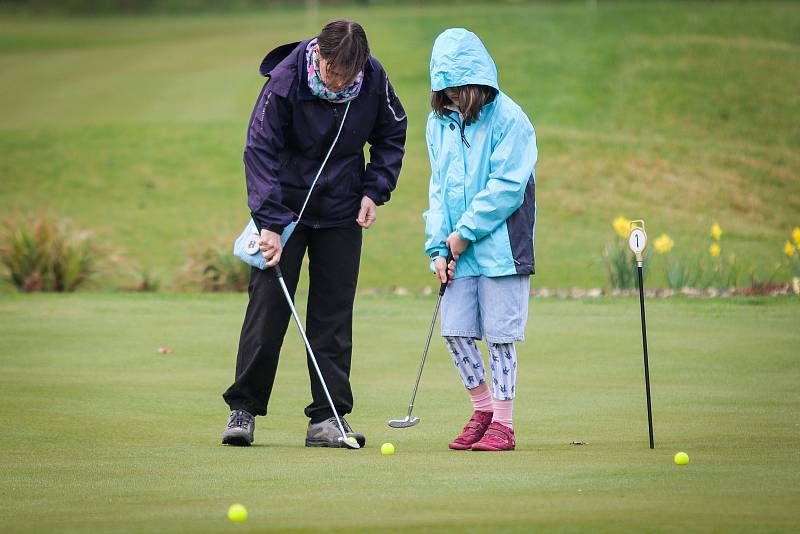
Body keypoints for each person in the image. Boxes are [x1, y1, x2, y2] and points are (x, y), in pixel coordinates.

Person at [222, 19, 407, 447]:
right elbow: (259, 149)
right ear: (318, 56)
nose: (339, 81)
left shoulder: (373, 79)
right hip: (284, 212)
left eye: (348, 74)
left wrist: (374, 190)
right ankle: (243, 409)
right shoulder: (286, 80)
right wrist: (268, 221)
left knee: (333, 316)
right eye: (332, 71)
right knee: (268, 311)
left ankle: (328, 418)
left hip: (343, 209)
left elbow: (392, 132)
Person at [423, 28, 537, 451]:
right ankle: (483, 409)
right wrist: (438, 245)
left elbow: (507, 187)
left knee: (500, 336)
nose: (451, 98)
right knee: (454, 332)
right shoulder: (439, 124)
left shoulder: (511, 119)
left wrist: (464, 233)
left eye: (458, 89)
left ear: (476, 82)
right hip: (456, 248)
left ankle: (504, 426)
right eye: (445, 90)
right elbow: (438, 188)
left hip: (502, 249)